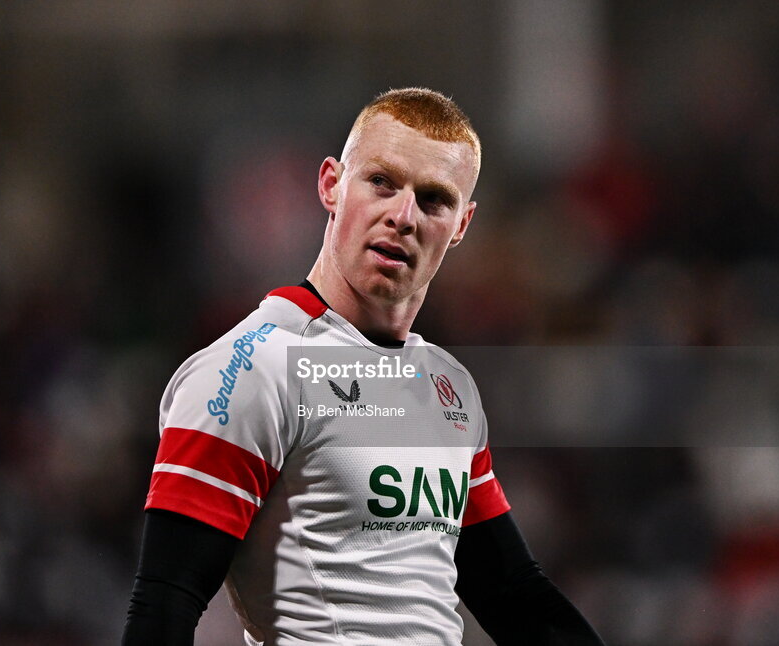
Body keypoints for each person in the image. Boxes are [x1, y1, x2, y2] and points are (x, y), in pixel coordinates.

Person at [122, 88, 605, 645]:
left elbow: (515, 596)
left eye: (433, 199)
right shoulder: (252, 367)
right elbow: (164, 604)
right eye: (382, 182)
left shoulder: (447, 387)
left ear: (462, 223)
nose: (402, 216)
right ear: (331, 184)